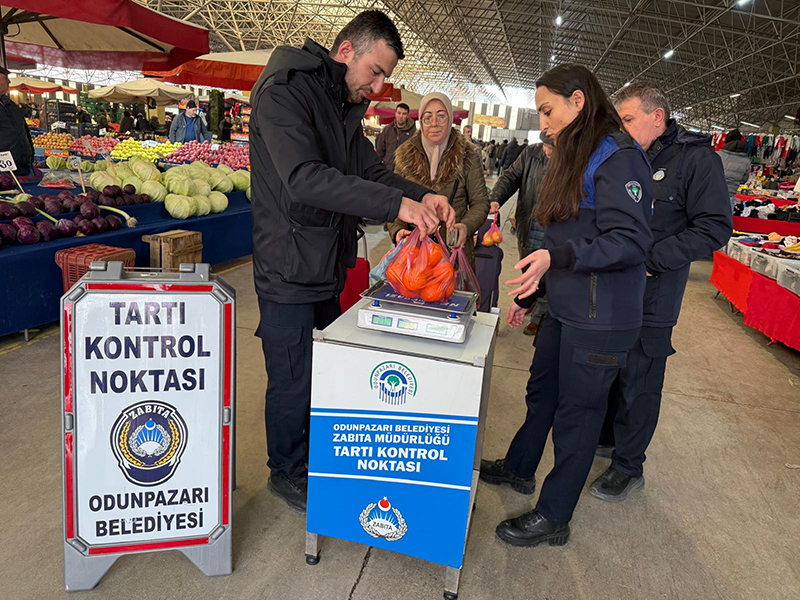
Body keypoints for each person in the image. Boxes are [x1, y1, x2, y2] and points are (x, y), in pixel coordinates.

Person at [249, 9, 455, 513]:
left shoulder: (339, 103)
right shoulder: (285, 92)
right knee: (292, 374)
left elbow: (371, 172)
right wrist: (396, 208)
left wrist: (420, 197)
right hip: (287, 264)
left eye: (385, 76)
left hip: (323, 262)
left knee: (320, 371)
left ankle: (309, 455)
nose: (380, 86)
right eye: (376, 72)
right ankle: (286, 471)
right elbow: (305, 177)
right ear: (347, 52)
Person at [479, 64, 653, 548]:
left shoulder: (618, 158)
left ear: (579, 102)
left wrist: (559, 257)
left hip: (601, 318)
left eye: (548, 110)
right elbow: (570, 236)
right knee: (543, 391)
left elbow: (631, 240)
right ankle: (520, 466)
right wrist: (535, 292)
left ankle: (554, 515)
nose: (543, 122)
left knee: (577, 416)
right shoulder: (579, 153)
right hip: (568, 305)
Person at [590, 85, 732, 501]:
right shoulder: (624, 156)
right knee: (611, 367)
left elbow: (714, 228)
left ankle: (629, 466)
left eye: (629, 119)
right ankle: (609, 437)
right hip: (615, 287)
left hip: (655, 292)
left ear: (658, 117)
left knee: (642, 378)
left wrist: (651, 258)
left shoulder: (696, 159)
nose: (622, 128)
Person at [388, 92, 490, 267]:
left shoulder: (467, 154)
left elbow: (480, 202)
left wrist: (465, 226)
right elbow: (394, 199)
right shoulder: (405, 155)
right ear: (421, 120)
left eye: (441, 116)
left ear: (450, 119)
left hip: (453, 253)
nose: (434, 123)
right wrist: (397, 231)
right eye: (428, 117)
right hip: (414, 253)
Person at [489, 131, 554, 336]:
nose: (546, 149)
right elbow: (510, 177)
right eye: (544, 144)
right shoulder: (531, 153)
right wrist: (496, 198)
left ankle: (541, 315)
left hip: (554, 228)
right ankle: (532, 298)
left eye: (551, 146)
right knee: (527, 267)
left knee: (549, 270)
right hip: (529, 222)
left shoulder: (572, 160)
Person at [0, 66, 34, 176]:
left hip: (22, 167)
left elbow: (24, 130)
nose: (9, 81)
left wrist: (30, 155)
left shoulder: (10, 104)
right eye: (5, 78)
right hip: (4, 172)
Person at [716, 128, 752, 208]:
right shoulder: (746, 160)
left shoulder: (717, 155)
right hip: (729, 197)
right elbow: (743, 180)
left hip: (712, 194)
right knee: (726, 220)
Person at [375, 102, 414, 171]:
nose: (401, 116)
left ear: (407, 115)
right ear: (395, 113)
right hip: (387, 169)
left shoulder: (413, 132)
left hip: (404, 171)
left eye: (404, 114)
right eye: (399, 113)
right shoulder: (387, 130)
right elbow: (380, 150)